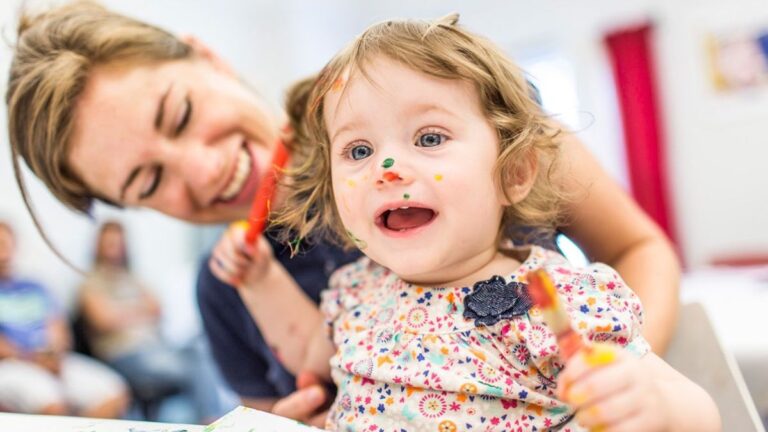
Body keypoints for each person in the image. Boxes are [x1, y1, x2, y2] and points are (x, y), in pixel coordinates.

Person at [6, 1, 679, 425]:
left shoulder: (464, 113)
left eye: (181, 114)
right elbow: (290, 392)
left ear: (208, 57)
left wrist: (629, 380)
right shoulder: (230, 291)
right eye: (149, 180)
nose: (204, 170)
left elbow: (636, 248)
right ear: (131, 207)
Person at [216, 14, 720, 431]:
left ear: (514, 172)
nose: (386, 170)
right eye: (359, 150)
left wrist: (652, 401)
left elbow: (697, 410)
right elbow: (308, 350)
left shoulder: (556, 296)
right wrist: (260, 282)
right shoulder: (355, 290)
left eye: (429, 138)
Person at [77, 220, 225, 423]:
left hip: (156, 347)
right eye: (110, 244)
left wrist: (124, 312)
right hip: (125, 355)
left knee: (200, 349)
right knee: (193, 369)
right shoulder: (91, 282)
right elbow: (105, 320)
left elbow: (157, 308)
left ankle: (211, 418)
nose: (115, 249)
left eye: (119, 243)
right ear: (99, 246)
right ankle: (211, 421)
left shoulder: (132, 278)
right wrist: (139, 310)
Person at [0, 221, 130, 418]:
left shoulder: (35, 287)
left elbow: (58, 327)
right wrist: (30, 359)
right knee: (51, 401)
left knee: (114, 392)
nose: (4, 253)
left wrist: (53, 355)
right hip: (12, 364)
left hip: (53, 361)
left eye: (6, 244)